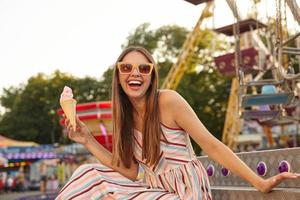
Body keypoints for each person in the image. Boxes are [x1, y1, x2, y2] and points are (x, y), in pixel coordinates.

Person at [56, 46, 299, 200]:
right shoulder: (124, 117)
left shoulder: (168, 101)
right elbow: (132, 171)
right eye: (126, 67)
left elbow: (212, 146)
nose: (135, 73)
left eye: (144, 68)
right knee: (88, 174)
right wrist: (88, 140)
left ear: (151, 77)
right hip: (154, 190)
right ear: (118, 77)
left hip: (187, 193)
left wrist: (260, 182)